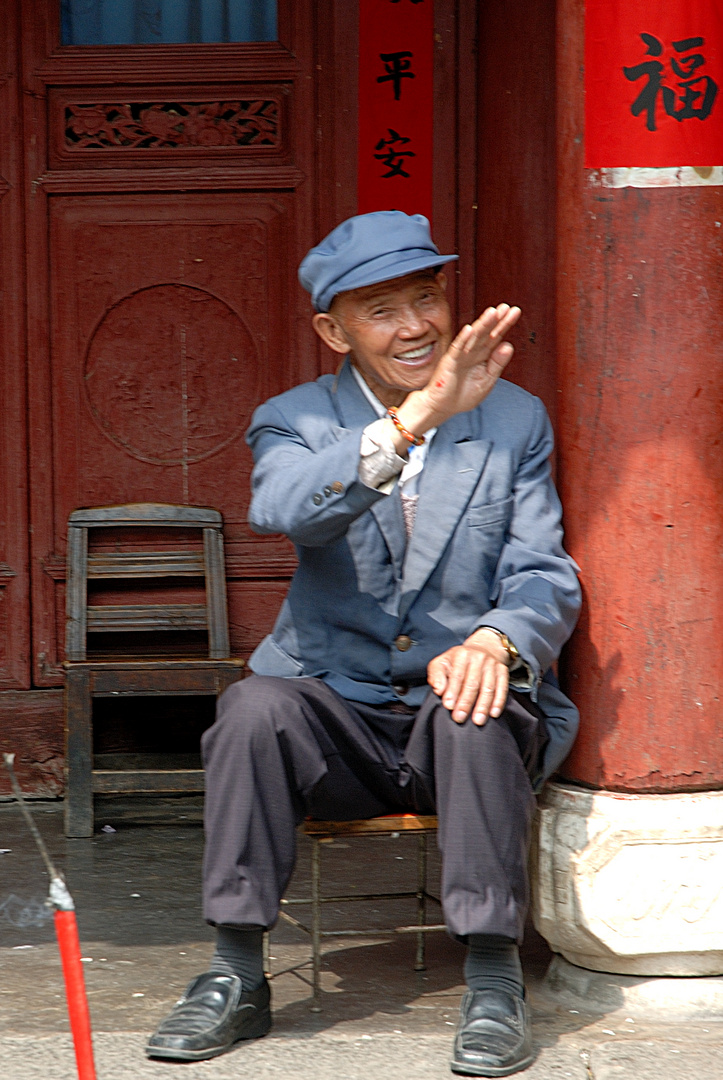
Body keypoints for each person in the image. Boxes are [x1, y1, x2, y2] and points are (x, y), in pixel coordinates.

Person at [146, 211, 581, 1077]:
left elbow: (544, 570)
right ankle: (235, 973)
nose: (416, 325)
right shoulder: (292, 419)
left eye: (426, 298)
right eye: (381, 310)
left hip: (450, 725)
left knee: (473, 703)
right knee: (252, 710)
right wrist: (418, 416)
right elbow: (287, 509)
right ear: (331, 330)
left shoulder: (514, 418)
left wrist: (495, 640)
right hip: (334, 712)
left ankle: (493, 981)